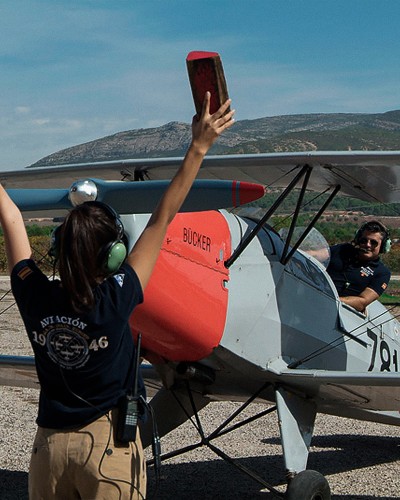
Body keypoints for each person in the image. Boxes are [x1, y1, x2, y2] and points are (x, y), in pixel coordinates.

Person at [0, 92, 235, 499]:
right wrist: (198, 145)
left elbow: (11, 217)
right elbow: (164, 216)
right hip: (106, 448)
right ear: (114, 256)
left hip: (48, 449)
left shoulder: (32, 293)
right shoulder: (116, 299)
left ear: (58, 249)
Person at [326, 220, 391, 312]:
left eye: (373, 242)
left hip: (340, 312)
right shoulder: (342, 250)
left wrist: (330, 299)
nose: (367, 245)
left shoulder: (382, 273)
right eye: (364, 241)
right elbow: (317, 254)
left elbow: (362, 302)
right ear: (358, 240)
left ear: (383, 246)